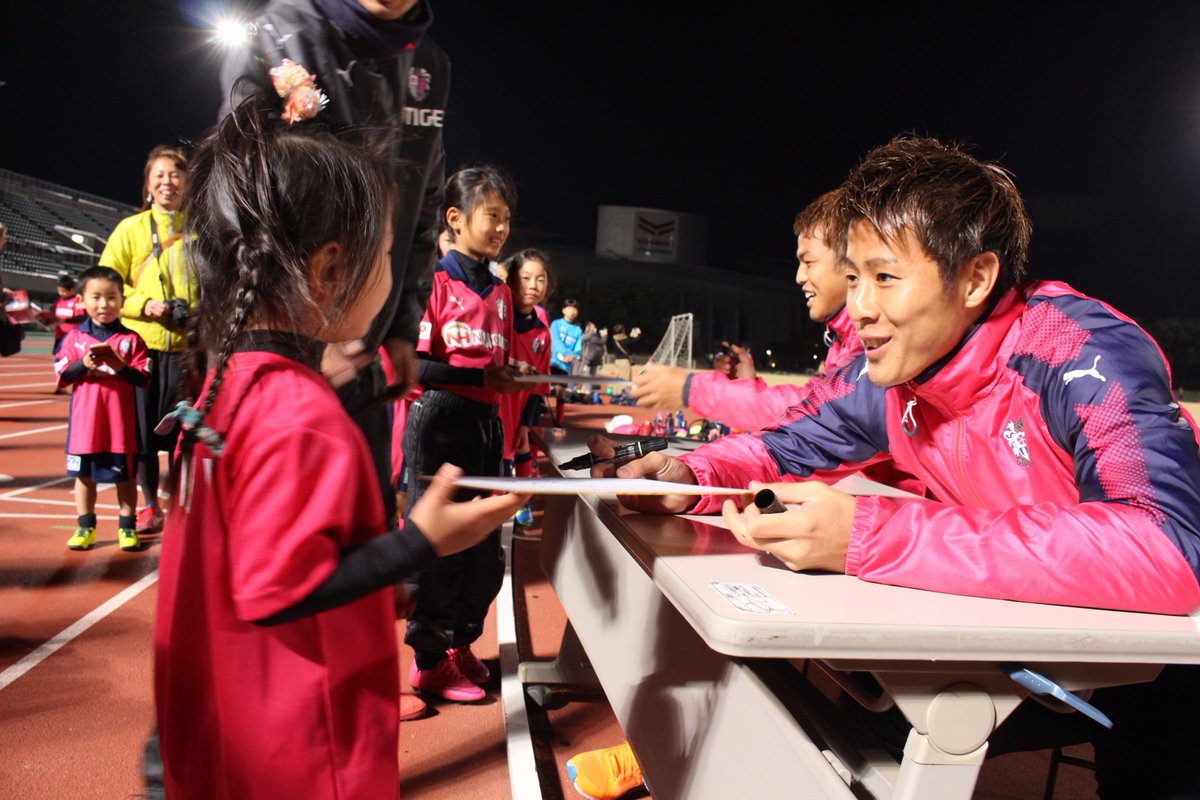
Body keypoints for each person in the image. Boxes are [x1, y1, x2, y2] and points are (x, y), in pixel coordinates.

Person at [586, 135, 1200, 799]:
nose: (861, 308)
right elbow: (788, 444)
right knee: (859, 724)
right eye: (852, 278)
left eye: (884, 277)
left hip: (1166, 668)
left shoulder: (1081, 352)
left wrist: (867, 536)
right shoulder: (897, 378)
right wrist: (692, 478)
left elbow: (1169, 548)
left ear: (974, 278)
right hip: (1039, 637)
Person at [154, 92, 528, 800]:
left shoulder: (225, 381)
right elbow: (278, 586)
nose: (391, 273)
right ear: (329, 270)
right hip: (302, 751)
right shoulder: (297, 415)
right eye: (386, 254)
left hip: (223, 732)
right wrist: (418, 541)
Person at [220, 0, 449, 525]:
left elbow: (425, 205)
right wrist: (291, 336)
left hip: (365, 353)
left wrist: (401, 329)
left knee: (362, 542)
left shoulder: (431, 66)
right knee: (284, 548)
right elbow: (238, 197)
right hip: (284, 352)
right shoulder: (277, 33)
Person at [401, 164, 523, 703]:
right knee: (439, 542)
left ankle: (461, 644)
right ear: (456, 217)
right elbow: (416, 367)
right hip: (439, 421)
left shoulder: (500, 291)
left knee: (482, 547)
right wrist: (478, 377)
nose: (501, 227)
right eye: (491, 215)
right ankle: (428, 660)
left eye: (507, 219)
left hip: (485, 425)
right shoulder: (435, 281)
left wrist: (512, 381)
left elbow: (501, 365)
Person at [632, 190, 858, 432]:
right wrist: (745, 386)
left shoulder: (874, 338)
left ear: (852, 259)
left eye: (809, 262)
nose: (799, 277)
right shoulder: (843, 337)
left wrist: (695, 389)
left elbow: (821, 415)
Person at [98, 145, 196, 538]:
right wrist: (144, 304)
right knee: (141, 436)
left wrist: (199, 312)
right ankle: (150, 505)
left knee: (185, 435)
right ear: (148, 184)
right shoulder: (130, 229)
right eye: (159, 175)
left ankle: (184, 504)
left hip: (188, 350)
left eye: (175, 174)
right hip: (142, 350)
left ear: (186, 182)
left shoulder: (202, 230)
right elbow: (105, 282)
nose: (167, 182)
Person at [53, 266, 150, 552]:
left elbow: (144, 378)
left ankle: (127, 527)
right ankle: (85, 527)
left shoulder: (132, 340)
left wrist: (121, 366)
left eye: (111, 297)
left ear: (122, 300)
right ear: (81, 300)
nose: (104, 304)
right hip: (85, 429)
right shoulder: (72, 340)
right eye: (96, 297)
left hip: (120, 427)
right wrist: (83, 364)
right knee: (83, 478)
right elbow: (62, 375)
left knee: (126, 477)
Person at [500, 248, 551, 527]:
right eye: (526, 277)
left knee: (520, 453)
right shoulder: (496, 319)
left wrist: (524, 425)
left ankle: (521, 504)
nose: (533, 285)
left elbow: (539, 385)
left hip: (517, 413)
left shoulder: (542, 332)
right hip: (492, 411)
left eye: (540, 279)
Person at [549, 298, 582, 424]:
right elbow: (555, 340)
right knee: (538, 390)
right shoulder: (556, 324)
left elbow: (578, 348)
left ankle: (559, 420)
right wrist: (563, 354)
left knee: (560, 394)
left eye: (574, 309)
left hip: (564, 366)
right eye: (569, 308)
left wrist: (571, 356)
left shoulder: (578, 330)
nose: (572, 311)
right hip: (551, 362)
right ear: (563, 310)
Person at [41, 274, 86, 356]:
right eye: (59, 291)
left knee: (70, 356)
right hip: (59, 335)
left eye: (63, 291)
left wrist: (65, 320)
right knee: (58, 356)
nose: (61, 293)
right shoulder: (58, 301)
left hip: (72, 336)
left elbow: (82, 317)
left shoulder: (76, 300)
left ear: (72, 290)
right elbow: (53, 315)